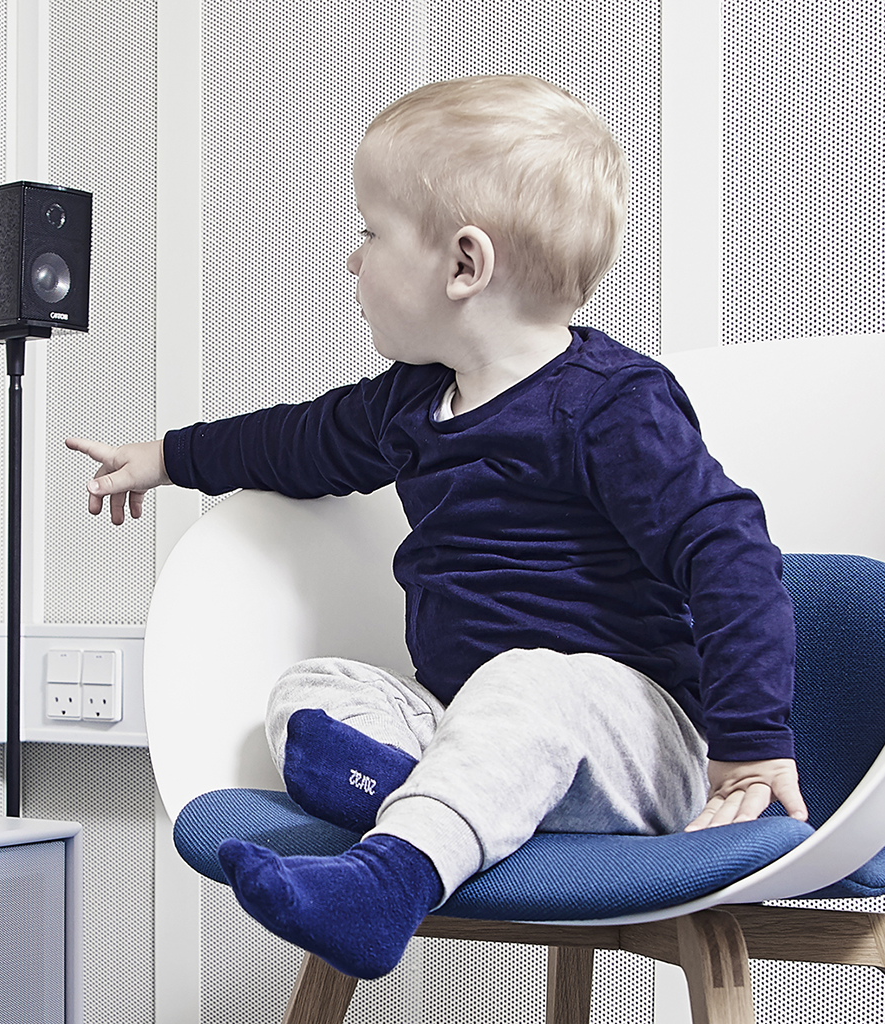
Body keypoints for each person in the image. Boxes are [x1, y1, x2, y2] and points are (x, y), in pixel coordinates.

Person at [66, 74, 807, 980]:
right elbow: (297, 442)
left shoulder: (611, 407)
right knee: (312, 688)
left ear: (463, 264)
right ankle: (431, 801)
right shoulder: (411, 402)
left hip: (631, 745)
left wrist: (749, 748)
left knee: (529, 680)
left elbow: (729, 554)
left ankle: (389, 877)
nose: (353, 260)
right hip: (467, 724)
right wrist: (167, 457)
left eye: (371, 232)